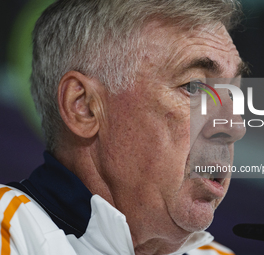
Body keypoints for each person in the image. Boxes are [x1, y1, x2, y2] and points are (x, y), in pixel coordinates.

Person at [0, 0, 248, 254]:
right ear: (84, 107)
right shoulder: (10, 230)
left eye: (233, 94)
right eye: (194, 87)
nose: (235, 126)